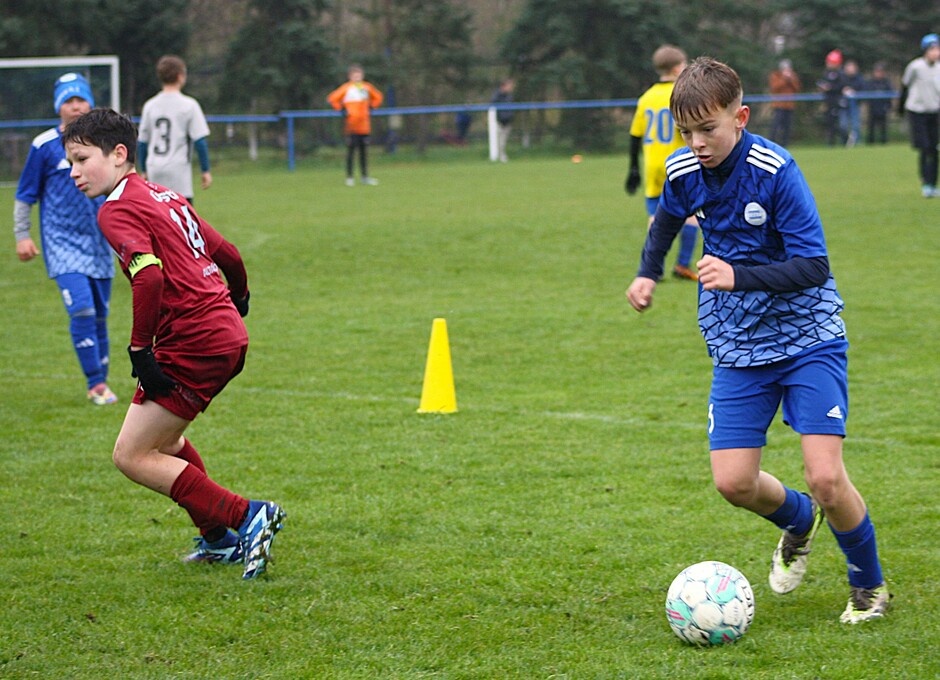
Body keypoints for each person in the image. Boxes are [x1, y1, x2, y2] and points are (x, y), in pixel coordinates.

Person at [626, 57, 890, 624]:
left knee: (826, 477)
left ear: (740, 117)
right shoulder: (683, 169)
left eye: (708, 129)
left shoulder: (775, 170)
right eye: (687, 132)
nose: (697, 143)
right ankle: (798, 519)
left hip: (807, 335)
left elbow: (814, 266)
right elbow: (666, 221)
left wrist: (738, 275)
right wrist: (648, 273)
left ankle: (869, 585)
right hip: (738, 341)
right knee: (734, 482)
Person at [63, 108, 285, 580]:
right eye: (70, 163)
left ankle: (247, 515)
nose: (74, 172)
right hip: (222, 332)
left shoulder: (115, 208)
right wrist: (238, 296)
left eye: (82, 159)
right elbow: (226, 252)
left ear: (118, 154)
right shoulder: (164, 194)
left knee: (131, 455)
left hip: (193, 339)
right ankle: (218, 538)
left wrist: (139, 350)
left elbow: (148, 274)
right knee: (166, 441)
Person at [13, 72, 117, 406]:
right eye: (68, 100)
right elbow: (25, 195)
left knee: (99, 314)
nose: (75, 106)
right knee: (82, 309)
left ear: (90, 103)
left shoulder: (104, 144)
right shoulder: (44, 146)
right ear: (58, 106)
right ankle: (96, 384)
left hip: (100, 242)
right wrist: (22, 235)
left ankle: (102, 379)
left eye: (80, 99)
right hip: (62, 244)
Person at [625, 45, 699, 281]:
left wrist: (633, 168)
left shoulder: (646, 98)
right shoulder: (682, 94)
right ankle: (683, 265)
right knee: (691, 214)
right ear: (677, 68)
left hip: (653, 165)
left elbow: (635, 134)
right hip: (679, 163)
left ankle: (653, 268)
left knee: (654, 217)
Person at [137, 55, 212, 203]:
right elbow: (200, 141)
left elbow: (142, 143)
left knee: (157, 213)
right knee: (181, 214)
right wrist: (205, 170)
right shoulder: (189, 105)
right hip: (178, 170)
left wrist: (144, 169)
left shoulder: (150, 105)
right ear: (180, 76)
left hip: (154, 168)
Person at [328, 64, 383, 186]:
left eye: (359, 75)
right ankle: (350, 177)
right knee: (351, 152)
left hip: (364, 126)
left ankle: (365, 177)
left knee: (364, 152)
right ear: (350, 77)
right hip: (351, 125)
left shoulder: (366, 87)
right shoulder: (346, 88)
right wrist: (341, 109)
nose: (357, 77)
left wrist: (372, 106)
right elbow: (332, 98)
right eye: (355, 75)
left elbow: (378, 97)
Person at [900, 33, 940, 198]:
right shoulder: (915, 67)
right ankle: (925, 184)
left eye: (937, 49)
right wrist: (900, 109)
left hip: (934, 112)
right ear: (925, 51)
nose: (936, 52)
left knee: (935, 149)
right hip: (917, 112)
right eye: (933, 49)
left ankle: (933, 184)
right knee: (925, 147)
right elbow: (904, 86)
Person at [768, 59, 801, 147]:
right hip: (778, 105)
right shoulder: (775, 75)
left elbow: (797, 88)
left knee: (787, 126)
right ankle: (772, 141)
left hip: (790, 105)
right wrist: (784, 79)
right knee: (776, 125)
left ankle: (785, 143)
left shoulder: (793, 76)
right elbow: (775, 88)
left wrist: (790, 80)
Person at [817, 50, 847, 146]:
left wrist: (830, 88)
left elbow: (841, 86)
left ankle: (845, 140)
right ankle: (831, 143)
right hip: (828, 102)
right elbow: (821, 82)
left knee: (840, 124)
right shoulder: (826, 73)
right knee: (830, 123)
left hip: (837, 101)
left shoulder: (840, 74)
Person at [865, 62, 892, 145]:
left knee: (883, 127)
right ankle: (870, 142)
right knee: (871, 127)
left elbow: (890, 93)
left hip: (883, 108)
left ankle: (883, 142)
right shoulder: (871, 82)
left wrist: (888, 105)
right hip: (873, 108)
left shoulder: (886, 82)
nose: (879, 73)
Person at [840, 59, 865, 146]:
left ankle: (857, 142)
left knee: (856, 125)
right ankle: (845, 142)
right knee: (843, 125)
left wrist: (854, 91)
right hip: (843, 106)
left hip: (855, 105)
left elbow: (863, 88)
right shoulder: (841, 78)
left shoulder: (859, 78)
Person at [491, 78, 515, 163]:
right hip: (499, 121)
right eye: (509, 86)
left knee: (503, 140)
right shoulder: (496, 95)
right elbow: (493, 105)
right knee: (499, 140)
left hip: (507, 121)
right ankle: (499, 156)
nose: (511, 88)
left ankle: (502, 155)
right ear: (503, 86)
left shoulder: (509, 96)